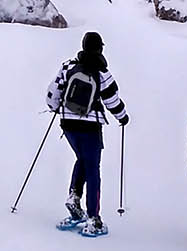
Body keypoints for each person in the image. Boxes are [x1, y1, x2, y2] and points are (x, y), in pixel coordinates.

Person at [47, 30, 128, 237]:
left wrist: (56, 107)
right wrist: (123, 117)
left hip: (68, 124)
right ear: (100, 48)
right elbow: (112, 101)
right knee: (92, 168)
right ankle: (94, 218)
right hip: (91, 127)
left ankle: (74, 198)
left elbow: (52, 93)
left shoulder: (68, 67)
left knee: (81, 159)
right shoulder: (102, 73)